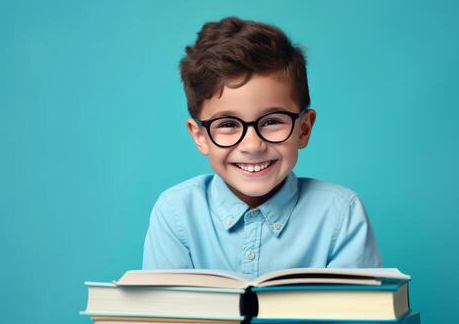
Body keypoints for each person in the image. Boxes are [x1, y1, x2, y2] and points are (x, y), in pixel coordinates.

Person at [142, 17, 382, 277]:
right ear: (200, 136)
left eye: (272, 121)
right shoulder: (175, 212)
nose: (253, 145)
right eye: (228, 124)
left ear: (304, 129)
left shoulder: (341, 214)